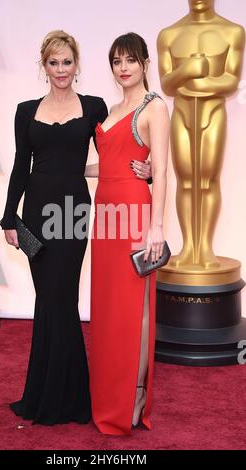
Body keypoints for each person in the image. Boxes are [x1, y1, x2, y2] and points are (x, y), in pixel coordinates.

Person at [0, 30, 151, 426]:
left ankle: (68, 399)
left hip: (73, 214)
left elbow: (116, 154)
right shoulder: (25, 110)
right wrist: (7, 217)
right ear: (44, 65)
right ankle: (44, 395)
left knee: (62, 298)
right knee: (46, 299)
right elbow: (21, 166)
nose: (61, 69)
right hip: (34, 214)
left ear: (76, 64)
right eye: (54, 62)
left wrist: (148, 170)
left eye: (67, 62)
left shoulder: (94, 107)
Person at [90, 32, 170, 435]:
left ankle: (135, 392)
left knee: (134, 308)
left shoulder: (153, 107)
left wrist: (156, 227)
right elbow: (105, 164)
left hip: (135, 215)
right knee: (107, 309)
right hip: (105, 216)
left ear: (144, 63)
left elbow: (164, 168)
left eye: (131, 60)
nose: (123, 68)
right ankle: (109, 393)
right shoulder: (111, 108)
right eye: (117, 61)